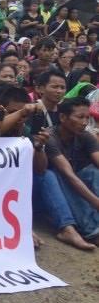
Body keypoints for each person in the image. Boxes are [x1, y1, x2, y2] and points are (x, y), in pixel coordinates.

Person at [45, 97, 99, 243]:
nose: (85, 122)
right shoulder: (50, 138)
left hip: (78, 179)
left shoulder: (85, 136)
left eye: (87, 117)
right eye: (80, 117)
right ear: (63, 117)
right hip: (56, 187)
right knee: (60, 176)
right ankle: (91, 230)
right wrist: (96, 201)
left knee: (93, 172)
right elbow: (69, 176)